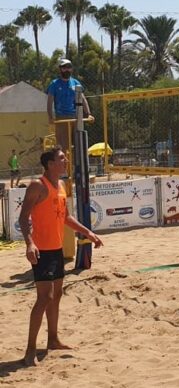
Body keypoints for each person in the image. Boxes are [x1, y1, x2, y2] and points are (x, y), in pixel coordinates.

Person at [18, 146, 103, 366]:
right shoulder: (38, 185)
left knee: (56, 296)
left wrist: (88, 233)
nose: (66, 162)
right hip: (42, 250)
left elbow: (65, 217)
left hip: (56, 249)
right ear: (50, 164)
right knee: (44, 298)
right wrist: (30, 243)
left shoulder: (62, 185)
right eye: (62, 159)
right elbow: (23, 217)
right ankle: (30, 350)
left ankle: (53, 339)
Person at [47, 59, 92, 154]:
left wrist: (88, 114)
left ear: (71, 69)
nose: (67, 70)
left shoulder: (75, 83)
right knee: (63, 145)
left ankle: (78, 167)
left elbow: (83, 99)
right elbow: (49, 102)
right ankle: (64, 167)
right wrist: (51, 117)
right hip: (61, 118)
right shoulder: (54, 84)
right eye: (64, 68)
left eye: (69, 67)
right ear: (60, 69)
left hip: (75, 116)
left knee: (79, 143)